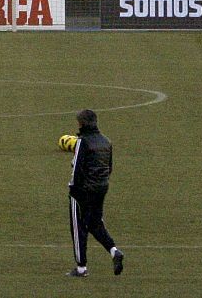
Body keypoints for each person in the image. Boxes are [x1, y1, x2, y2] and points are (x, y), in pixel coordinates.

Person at [67, 108, 124, 278]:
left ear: (82, 123)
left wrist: (74, 190)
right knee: (95, 223)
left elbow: (77, 169)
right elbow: (109, 167)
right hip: (101, 188)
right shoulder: (106, 141)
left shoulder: (82, 142)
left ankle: (81, 268)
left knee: (78, 227)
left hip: (82, 191)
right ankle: (114, 251)